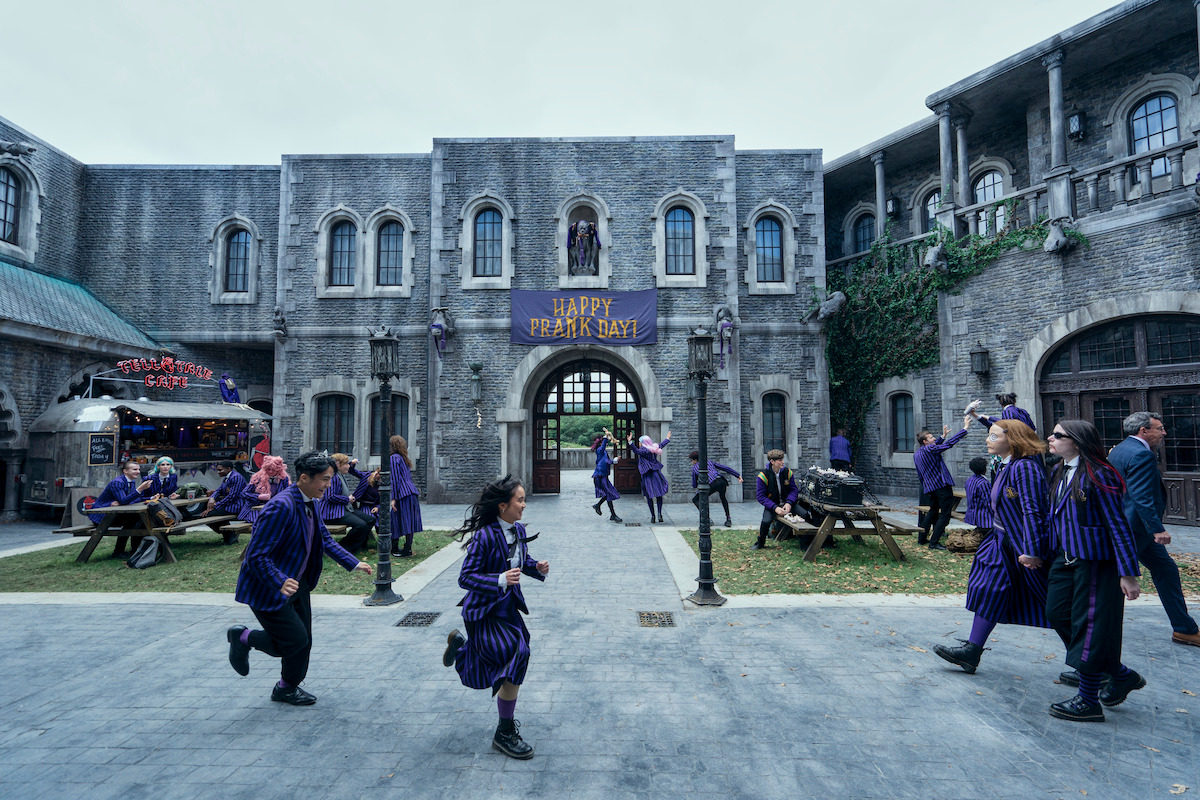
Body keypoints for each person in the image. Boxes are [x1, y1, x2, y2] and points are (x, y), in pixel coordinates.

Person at [225, 451, 373, 705]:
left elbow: (324, 539)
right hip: (269, 587)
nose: (329, 485)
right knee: (293, 641)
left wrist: (353, 562)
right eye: (325, 479)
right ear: (304, 478)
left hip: (298, 584)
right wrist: (280, 580)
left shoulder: (310, 500)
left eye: (330, 479)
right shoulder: (280, 506)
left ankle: (286, 688)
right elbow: (256, 556)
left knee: (303, 642)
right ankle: (242, 638)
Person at [441, 475, 549, 759]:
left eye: (524, 499)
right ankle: (504, 732)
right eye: (520, 500)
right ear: (503, 506)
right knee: (516, 651)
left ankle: (463, 649)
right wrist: (500, 579)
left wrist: (536, 567)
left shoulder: (519, 530)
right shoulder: (485, 536)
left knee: (515, 657)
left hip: (508, 608)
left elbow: (520, 560)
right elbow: (466, 577)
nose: (524, 505)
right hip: (484, 612)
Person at [932, 419, 1050, 675]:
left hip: (1020, 544)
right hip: (999, 541)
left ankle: (1102, 667)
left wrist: (1031, 550)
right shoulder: (1004, 465)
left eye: (994, 436)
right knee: (988, 589)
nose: (988, 440)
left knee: (1054, 606)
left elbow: (1033, 511)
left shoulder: (1025, 468)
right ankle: (972, 650)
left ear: (1014, 441)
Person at [1045, 419, 1144, 722]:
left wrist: (1128, 572)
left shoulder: (1099, 474)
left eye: (1058, 435)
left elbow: (1118, 524)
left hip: (1097, 562)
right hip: (1066, 559)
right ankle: (1118, 673)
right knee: (1057, 613)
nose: (1051, 438)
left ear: (1076, 441)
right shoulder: (1059, 471)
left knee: (1089, 626)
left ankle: (1088, 701)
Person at [1108, 411, 1200, 648]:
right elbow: (1141, 496)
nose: (1164, 433)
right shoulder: (1141, 454)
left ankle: (1185, 629)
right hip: (1136, 530)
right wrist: (1157, 528)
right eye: (1160, 428)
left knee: (1167, 571)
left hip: (1133, 529)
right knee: (1114, 581)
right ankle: (1094, 636)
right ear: (1144, 431)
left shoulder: (1119, 449)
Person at [915, 416, 971, 550]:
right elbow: (948, 445)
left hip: (930, 487)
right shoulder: (931, 449)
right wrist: (964, 429)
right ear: (925, 441)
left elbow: (920, 473)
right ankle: (934, 543)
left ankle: (921, 539)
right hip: (941, 485)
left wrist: (942, 436)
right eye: (931, 438)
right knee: (945, 514)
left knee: (933, 511)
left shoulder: (918, 453)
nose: (934, 438)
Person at [315, 453, 376, 554]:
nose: (348, 466)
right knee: (361, 525)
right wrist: (347, 499)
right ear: (338, 465)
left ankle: (359, 545)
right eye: (346, 464)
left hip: (343, 509)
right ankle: (343, 547)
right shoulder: (333, 477)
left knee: (370, 520)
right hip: (331, 512)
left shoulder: (339, 475)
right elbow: (330, 497)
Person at [752, 449, 798, 551]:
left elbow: (794, 490)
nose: (782, 462)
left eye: (782, 459)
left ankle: (806, 542)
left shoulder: (788, 472)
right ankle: (760, 542)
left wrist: (789, 502)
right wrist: (775, 507)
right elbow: (760, 497)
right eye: (779, 460)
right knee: (766, 521)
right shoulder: (762, 476)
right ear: (772, 461)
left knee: (804, 514)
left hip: (787, 503)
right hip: (772, 505)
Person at [88, 459, 152, 529]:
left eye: (138, 469)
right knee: (136, 519)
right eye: (135, 469)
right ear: (125, 471)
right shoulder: (117, 482)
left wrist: (151, 498)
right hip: (101, 516)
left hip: (114, 512)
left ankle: (126, 540)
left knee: (139, 519)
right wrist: (139, 489)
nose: (138, 472)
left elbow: (133, 499)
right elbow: (124, 500)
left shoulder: (132, 482)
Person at [389, 435, 423, 558]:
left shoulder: (393, 458)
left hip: (402, 494)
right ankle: (407, 548)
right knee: (410, 521)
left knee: (395, 520)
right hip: (412, 493)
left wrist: (393, 499)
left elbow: (395, 480)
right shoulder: (404, 458)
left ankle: (394, 548)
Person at [689, 450, 742, 528]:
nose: (691, 462)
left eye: (691, 460)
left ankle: (707, 519)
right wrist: (737, 475)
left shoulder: (695, 468)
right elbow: (724, 467)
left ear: (695, 460)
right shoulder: (709, 462)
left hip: (711, 483)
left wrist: (697, 485)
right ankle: (728, 519)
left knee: (696, 499)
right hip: (721, 480)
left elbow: (694, 484)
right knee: (723, 498)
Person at [627, 430, 671, 523]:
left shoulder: (644, 450)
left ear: (643, 443)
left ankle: (653, 516)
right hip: (656, 474)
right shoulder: (654, 448)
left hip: (647, 475)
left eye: (640, 442)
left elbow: (636, 451)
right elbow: (661, 445)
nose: (639, 443)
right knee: (659, 494)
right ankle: (659, 514)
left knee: (649, 496)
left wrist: (630, 442)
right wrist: (667, 438)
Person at [205, 460, 249, 544]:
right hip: (229, 504)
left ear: (228, 469)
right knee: (206, 513)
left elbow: (232, 496)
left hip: (236, 505)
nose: (218, 472)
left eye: (220, 470)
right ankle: (229, 534)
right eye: (217, 470)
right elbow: (220, 489)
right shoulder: (228, 477)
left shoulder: (236, 477)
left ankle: (230, 533)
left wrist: (216, 505)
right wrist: (212, 498)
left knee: (208, 515)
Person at [239, 455, 290, 526]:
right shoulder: (257, 477)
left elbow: (288, 493)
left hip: (275, 507)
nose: (271, 471)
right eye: (269, 469)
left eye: (274, 469)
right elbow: (244, 493)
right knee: (262, 521)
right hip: (256, 508)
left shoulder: (283, 479)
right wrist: (258, 497)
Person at [589, 428, 622, 523]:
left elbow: (607, 462)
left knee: (609, 494)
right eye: (604, 442)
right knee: (609, 494)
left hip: (602, 475)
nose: (606, 443)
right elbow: (603, 446)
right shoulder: (600, 450)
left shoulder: (603, 452)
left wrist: (615, 460)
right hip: (599, 476)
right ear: (601, 442)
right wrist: (606, 436)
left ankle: (608, 512)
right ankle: (607, 511)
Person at [962, 456, 993, 532]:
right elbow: (988, 502)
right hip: (983, 516)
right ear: (984, 469)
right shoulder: (983, 483)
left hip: (972, 513)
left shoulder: (969, 480)